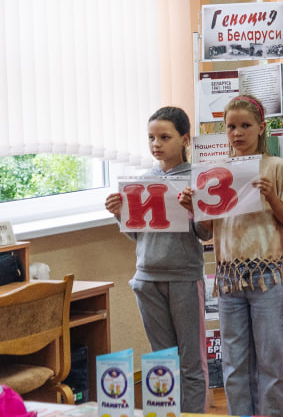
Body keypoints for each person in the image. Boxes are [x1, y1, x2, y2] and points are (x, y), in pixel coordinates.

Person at [180, 95, 283, 417]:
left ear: (261, 128)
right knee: (234, 363)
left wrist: (272, 197)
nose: (238, 133)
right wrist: (194, 208)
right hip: (229, 278)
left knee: (272, 361)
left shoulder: (275, 166)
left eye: (245, 125)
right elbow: (206, 230)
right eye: (231, 127)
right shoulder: (216, 172)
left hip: (267, 274)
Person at [104, 106, 210, 414]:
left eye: (165, 137)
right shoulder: (142, 181)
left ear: (185, 139)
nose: (156, 144)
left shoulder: (196, 178)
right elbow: (137, 236)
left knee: (190, 362)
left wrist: (194, 208)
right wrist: (119, 215)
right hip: (147, 279)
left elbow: (205, 233)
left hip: (184, 278)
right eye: (151, 138)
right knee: (162, 361)